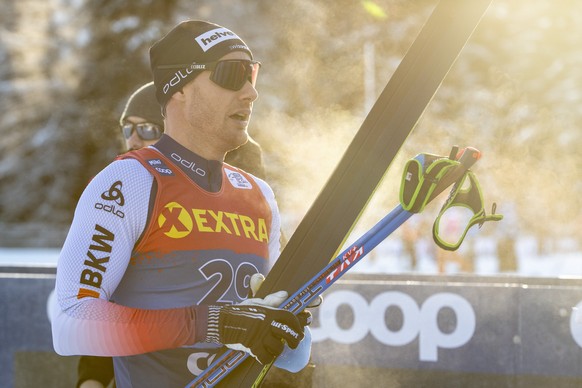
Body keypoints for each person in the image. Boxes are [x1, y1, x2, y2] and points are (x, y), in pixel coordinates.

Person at [53, 20, 312, 387]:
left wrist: (290, 327)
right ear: (180, 89)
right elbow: (72, 322)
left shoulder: (258, 194)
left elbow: (293, 359)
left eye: (252, 73)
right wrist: (210, 324)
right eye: (231, 74)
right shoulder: (131, 181)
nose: (251, 91)